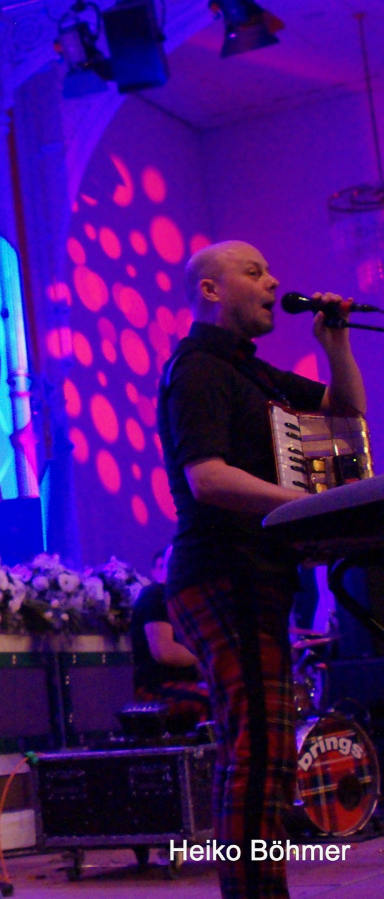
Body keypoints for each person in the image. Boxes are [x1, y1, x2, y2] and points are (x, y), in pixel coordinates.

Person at [158, 240, 366, 899]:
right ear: (211, 290)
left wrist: (335, 343)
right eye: (255, 271)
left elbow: (345, 415)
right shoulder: (197, 367)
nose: (274, 281)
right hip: (223, 569)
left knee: (264, 752)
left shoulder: (255, 373)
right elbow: (208, 477)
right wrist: (303, 503)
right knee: (259, 751)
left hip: (254, 571)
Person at [130, 546, 209, 729]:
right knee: (211, 700)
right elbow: (164, 652)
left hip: (183, 684)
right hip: (156, 688)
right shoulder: (156, 595)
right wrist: (205, 655)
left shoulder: (181, 599)